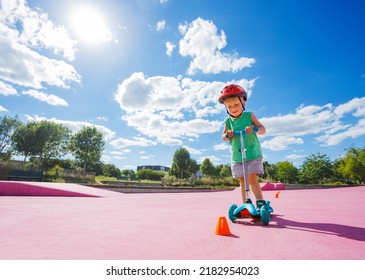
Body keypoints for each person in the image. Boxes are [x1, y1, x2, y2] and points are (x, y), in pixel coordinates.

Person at [219, 84, 271, 211]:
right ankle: (245, 204)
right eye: (229, 106)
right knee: (242, 180)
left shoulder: (249, 116)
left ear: (243, 103)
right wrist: (228, 134)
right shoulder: (228, 122)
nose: (233, 108)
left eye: (236, 105)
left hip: (252, 153)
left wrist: (254, 128)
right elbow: (223, 137)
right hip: (237, 156)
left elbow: (263, 130)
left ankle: (260, 202)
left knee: (251, 178)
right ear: (226, 108)